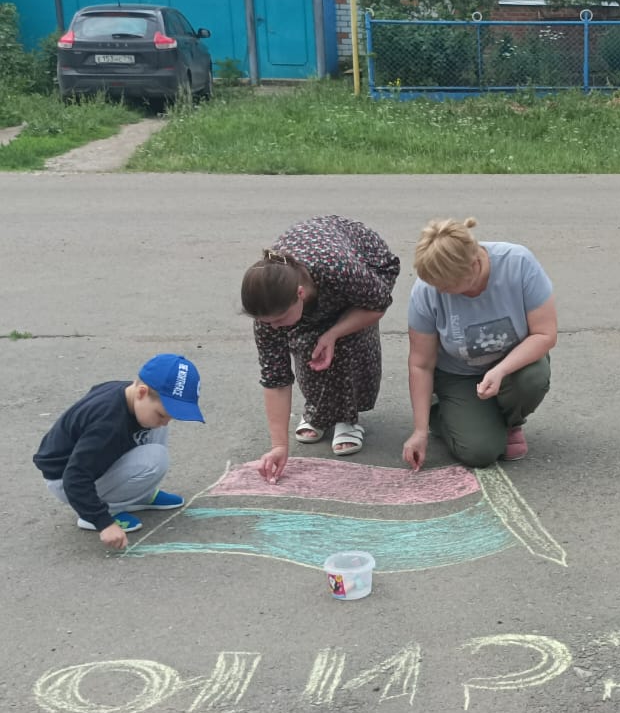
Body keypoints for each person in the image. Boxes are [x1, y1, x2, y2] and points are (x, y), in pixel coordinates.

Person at [241, 216, 400, 482]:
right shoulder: (269, 313)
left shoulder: (339, 270)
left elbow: (377, 305)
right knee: (307, 344)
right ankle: (319, 412)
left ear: (300, 294)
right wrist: (279, 445)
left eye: (279, 319)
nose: (275, 327)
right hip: (317, 276)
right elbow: (275, 379)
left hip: (366, 266)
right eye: (267, 322)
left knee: (346, 341)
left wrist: (334, 333)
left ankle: (347, 419)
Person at [402, 217, 556, 470]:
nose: (441, 291)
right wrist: (419, 431)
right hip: (458, 375)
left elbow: (544, 334)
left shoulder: (517, 263)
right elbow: (421, 363)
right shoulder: (427, 290)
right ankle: (443, 411)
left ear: (473, 266)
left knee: (534, 377)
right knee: (480, 452)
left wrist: (501, 370)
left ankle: (510, 422)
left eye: (447, 286)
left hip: (512, 367)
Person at [33, 353, 205, 550]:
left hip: (89, 468)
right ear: (141, 392)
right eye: (162, 414)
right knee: (155, 458)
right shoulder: (107, 425)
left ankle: (140, 495)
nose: (166, 421)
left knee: (155, 425)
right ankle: (103, 510)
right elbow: (75, 476)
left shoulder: (129, 394)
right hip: (67, 482)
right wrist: (103, 522)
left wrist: (159, 417)